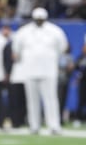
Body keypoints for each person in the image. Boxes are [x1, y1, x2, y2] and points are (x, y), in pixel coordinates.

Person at [12, 7, 68, 135]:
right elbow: (17, 50)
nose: (39, 21)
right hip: (30, 70)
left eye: (41, 19)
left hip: (49, 70)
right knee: (32, 100)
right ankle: (34, 126)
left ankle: (54, 126)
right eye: (37, 19)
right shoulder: (23, 32)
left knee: (51, 99)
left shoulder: (55, 31)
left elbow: (62, 48)